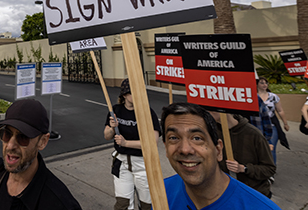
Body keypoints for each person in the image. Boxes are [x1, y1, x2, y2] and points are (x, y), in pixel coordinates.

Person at [161, 102, 281, 209]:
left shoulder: (259, 206)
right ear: (166, 148)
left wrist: (244, 168)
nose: (185, 149)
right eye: (174, 138)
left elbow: (269, 168)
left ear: (218, 150)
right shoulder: (162, 193)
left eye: (197, 138)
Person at [0, 99, 82, 210]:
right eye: (7, 134)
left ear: (42, 142)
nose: (10, 146)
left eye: (23, 137)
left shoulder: (60, 204)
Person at [103, 79, 161, 210]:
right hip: (122, 164)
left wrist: (126, 143)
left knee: (147, 205)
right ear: (124, 95)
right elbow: (107, 136)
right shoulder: (115, 110)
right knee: (122, 204)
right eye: (133, 92)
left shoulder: (147, 113)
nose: (138, 95)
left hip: (143, 165)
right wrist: (112, 128)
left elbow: (152, 143)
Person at [210, 111, 276, 198]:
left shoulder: (254, 134)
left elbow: (269, 169)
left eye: (210, 109)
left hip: (253, 194)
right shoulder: (212, 133)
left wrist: (244, 168)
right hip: (225, 194)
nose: (207, 113)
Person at [257, 78, 290, 165]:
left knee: (271, 147)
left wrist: (285, 123)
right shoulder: (253, 96)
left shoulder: (273, 96)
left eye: (266, 83)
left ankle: (271, 169)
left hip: (271, 125)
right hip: (257, 124)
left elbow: (280, 111)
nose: (264, 85)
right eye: (262, 83)